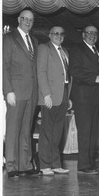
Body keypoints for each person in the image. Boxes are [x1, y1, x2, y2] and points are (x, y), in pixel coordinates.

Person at [3, 10, 42, 178]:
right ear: (19, 20)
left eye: (31, 20)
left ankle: (25, 165)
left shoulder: (34, 40)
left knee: (26, 129)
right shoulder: (8, 39)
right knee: (13, 129)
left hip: (32, 92)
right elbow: (4, 67)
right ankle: (11, 166)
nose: (28, 22)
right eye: (25, 19)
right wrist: (8, 91)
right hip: (16, 92)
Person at [69, 25, 99, 175]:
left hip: (95, 97)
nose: (92, 35)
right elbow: (74, 70)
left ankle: (90, 163)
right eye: (89, 33)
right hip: (83, 97)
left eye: (95, 33)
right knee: (85, 132)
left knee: (92, 132)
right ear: (83, 35)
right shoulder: (77, 49)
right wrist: (94, 78)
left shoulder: (97, 50)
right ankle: (84, 165)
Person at [37, 26, 70, 175]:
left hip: (63, 96)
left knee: (57, 132)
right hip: (50, 96)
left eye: (61, 34)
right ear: (50, 35)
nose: (59, 36)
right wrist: (46, 94)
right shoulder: (44, 48)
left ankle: (56, 164)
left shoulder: (65, 51)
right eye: (56, 33)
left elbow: (67, 76)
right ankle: (44, 166)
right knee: (47, 132)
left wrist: (68, 97)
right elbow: (41, 71)